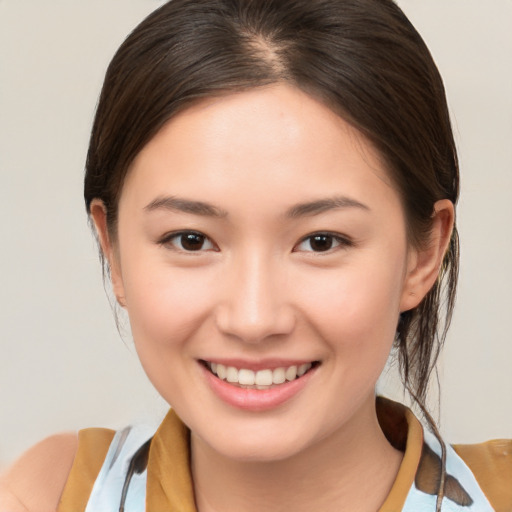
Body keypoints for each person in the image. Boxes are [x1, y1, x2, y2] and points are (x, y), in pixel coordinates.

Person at [1, 0, 510, 511]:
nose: (253, 319)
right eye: (191, 239)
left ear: (423, 254)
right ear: (113, 250)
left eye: (321, 241)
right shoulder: (51, 494)